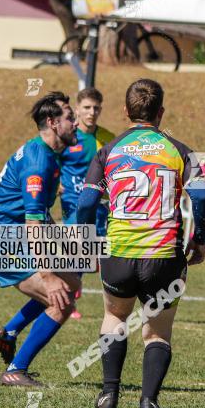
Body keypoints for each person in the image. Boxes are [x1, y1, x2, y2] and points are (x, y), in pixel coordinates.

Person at [76, 78, 205, 408]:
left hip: (119, 253)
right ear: (161, 112)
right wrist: (200, 239)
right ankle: (149, 402)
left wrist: (86, 240)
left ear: (125, 111)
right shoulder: (180, 150)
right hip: (164, 255)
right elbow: (201, 197)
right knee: (157, 332)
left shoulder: (109, 150)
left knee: (114, 318)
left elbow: (87, 200)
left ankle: (109, 394)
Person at [0, 92, 82, 387]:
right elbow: (32, 221)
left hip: (18, 236)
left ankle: (9, 333)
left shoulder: (46, 153)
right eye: (69, 117)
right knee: (61, 299)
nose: (75, 122)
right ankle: (16, 370)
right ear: (53, 123)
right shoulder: (38, 161)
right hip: (7, 244)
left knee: (73, 283)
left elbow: (39, 215)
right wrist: (48, 274)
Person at [60, 88, 115, 319]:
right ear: (77, 109)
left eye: (96, 108)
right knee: (78, 251)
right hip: (74, 204)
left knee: (104, 256)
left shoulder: (109, 139)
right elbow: (53, 161)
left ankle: (113, 306)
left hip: (101, 206)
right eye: (87, 108)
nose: (91, 112)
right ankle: (67, 301)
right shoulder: (67, 136)